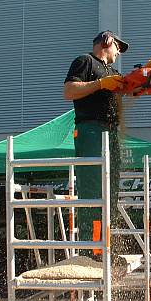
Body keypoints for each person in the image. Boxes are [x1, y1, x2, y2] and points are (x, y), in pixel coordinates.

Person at [63, 30, 129, 259]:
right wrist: (100, 83)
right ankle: (91, 248)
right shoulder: (85, 61)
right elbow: (69, 91)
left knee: (110, 191)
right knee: (92, 188)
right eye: (117, 47)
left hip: (110, 132)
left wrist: (145, 77)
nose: (119, 52)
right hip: (90, 129)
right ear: (107, 41)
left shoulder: (114, 72)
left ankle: (105, 247)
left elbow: (130, 88)